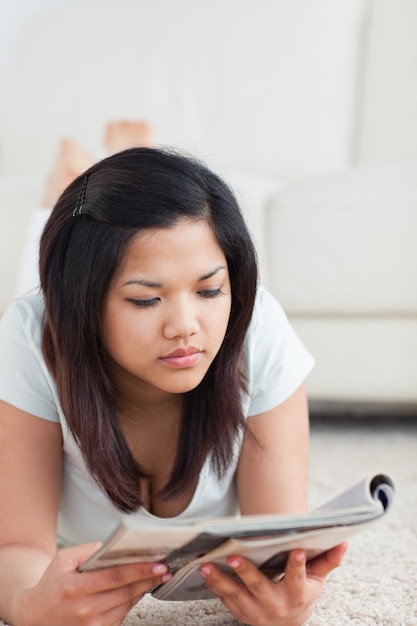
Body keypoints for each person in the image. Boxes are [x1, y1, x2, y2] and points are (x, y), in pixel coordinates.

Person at [0, 146, 347, 626]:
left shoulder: (257, 327)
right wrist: (28, 605)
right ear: (84, 305)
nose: (185, 327)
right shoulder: (28, 335)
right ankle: (69, 174)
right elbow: (16, 547)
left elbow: (278, 540)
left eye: (209, 291)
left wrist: (286, 603)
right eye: (146, 300)